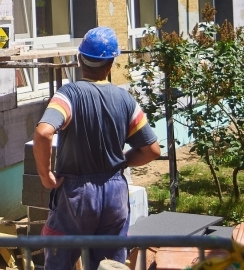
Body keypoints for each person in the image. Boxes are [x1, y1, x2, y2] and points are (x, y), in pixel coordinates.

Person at [33, 26, 160, 270]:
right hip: (115, 196)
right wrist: (121, 161)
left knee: (60, 259)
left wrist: (45, 174)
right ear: (111, 64)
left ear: (80, 60)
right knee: (109, 265)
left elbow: (43, 131)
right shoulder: (125, 100)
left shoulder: (69, 95)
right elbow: (151, 150)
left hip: (77, 195)